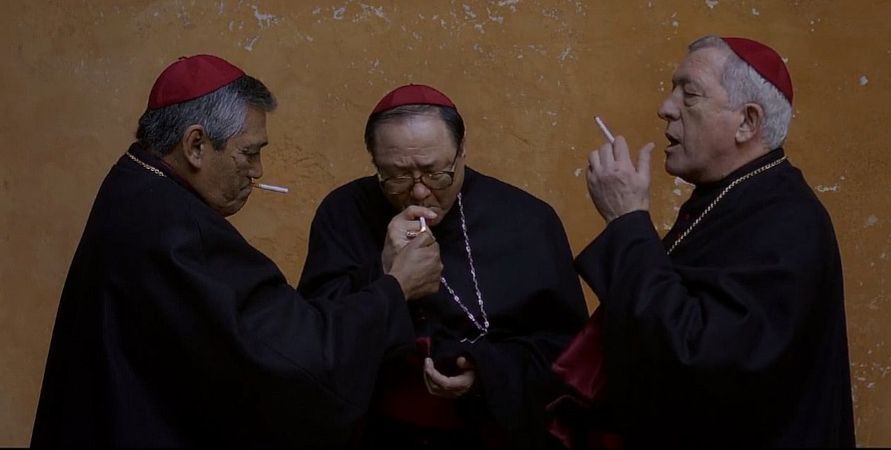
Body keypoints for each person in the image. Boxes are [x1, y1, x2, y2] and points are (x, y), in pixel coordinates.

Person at [31, 55, 443, 447]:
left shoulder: (134, 186)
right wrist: (396, 287)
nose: (257, 170)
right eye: (249, 152)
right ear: (195, 145)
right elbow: (295, 359)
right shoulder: (181, 233)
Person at [551, 36, 855, 447]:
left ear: (747, 122)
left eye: (689, 94)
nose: (665, 107)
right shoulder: (731, 198)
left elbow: (699, 359)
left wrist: (627, 221)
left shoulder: (787, 221)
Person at [297, 83, 589, 448]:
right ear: (375, 163)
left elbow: (566, 351)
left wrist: (486, 373)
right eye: (397, 176)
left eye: (435, 173)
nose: (419, 191)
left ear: (461, 150)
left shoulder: (527, 220)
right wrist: (385, 274)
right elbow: (314, 339)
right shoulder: (343, 212)